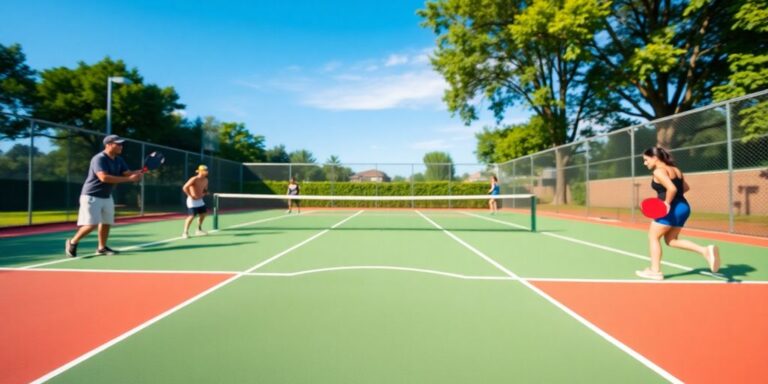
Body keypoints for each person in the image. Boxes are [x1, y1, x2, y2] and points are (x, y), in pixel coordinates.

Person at [636, 147, 720, 280]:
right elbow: (685, 188)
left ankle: (655, 271)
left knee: (653, 237)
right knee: (671, 240)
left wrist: (666, 204)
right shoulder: (676, 170)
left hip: (671, 208)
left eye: (646, 160)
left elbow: (672, 188)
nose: (645, 163)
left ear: (655, 158)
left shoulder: (659, 171)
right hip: (683, 207)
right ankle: (705, 251)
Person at [65, 135, 142, 257]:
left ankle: (101, 248)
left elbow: (127, 173)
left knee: (106, 222)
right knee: (91, 225)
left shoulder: (118, 160)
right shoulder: (99, 159)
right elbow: (103, 177)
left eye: (121, 144)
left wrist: (137, 173)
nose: (121, 146)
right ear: (108, 144)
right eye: (118, 144)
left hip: (106, 196)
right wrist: (129, 179)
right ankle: (72, 242)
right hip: (91, 195)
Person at [182, 165, 210, 238]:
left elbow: (205, 189)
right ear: (200, 171)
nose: (206, 172)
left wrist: (205, 192)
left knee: (203, 214)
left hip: (200, 200)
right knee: (191, 216)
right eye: (204, 170)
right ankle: (185, 232)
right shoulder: (194, 179)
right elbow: (185, 187)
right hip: (192, 201)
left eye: (206, 171)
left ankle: (198, 230)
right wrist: (190, 195)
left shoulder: (206, 180)